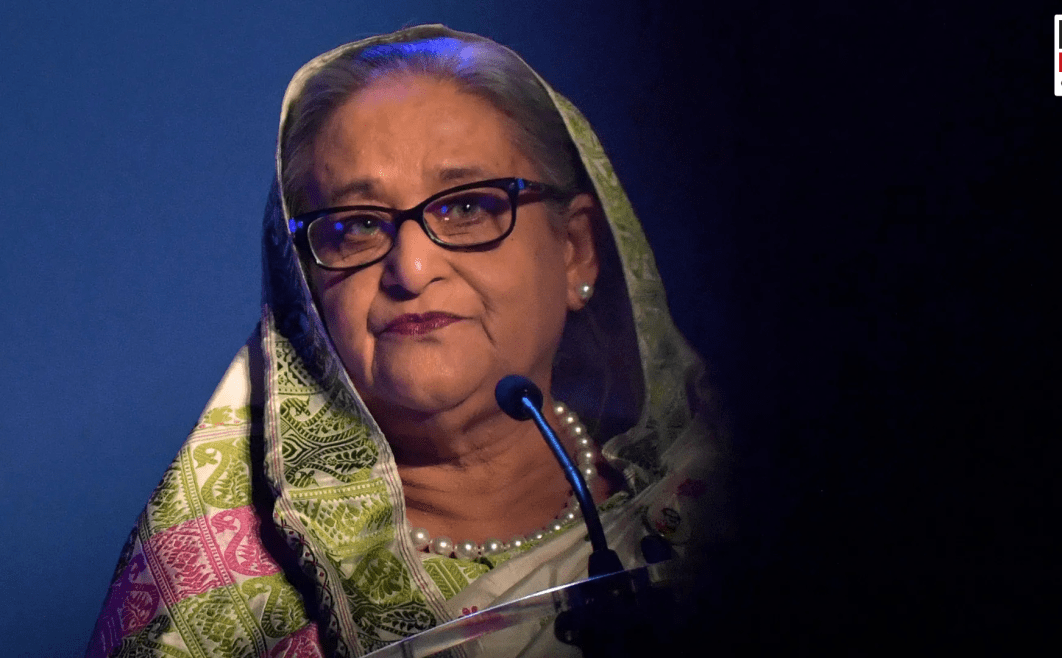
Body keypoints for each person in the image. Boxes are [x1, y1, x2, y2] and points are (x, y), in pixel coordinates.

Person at [87, 24, 725, 657]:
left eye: (467, 207)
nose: (412, 269)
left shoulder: (734, 505)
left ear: (574, 250)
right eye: (357, 226)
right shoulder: (218, 612)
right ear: (303, 293)